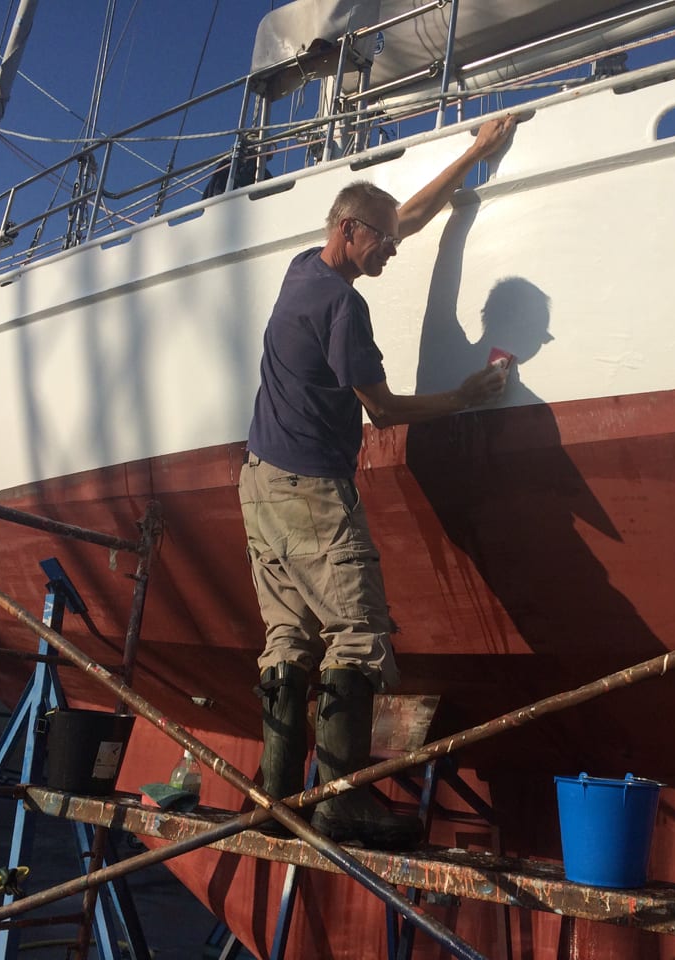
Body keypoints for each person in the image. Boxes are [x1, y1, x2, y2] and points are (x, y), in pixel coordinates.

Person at [239, 116, 516, 849]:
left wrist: (474, 154)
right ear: (350, 232)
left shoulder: (305, 268)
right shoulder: (341, 304)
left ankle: (276, 800)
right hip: (310, 491)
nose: (393, 251)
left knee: (288, 637)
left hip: (259, 484)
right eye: (384, 245)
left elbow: (405, 217)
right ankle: (340, 805)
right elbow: (384, 410)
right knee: (357, 633)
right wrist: (464, 396)